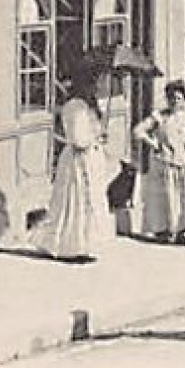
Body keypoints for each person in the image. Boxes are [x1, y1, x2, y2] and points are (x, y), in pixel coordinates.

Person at [34, 66, 115, 262]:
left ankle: (85, 245)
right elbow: (77, 138)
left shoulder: (90, 106)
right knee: (75, 201)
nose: (96, 87)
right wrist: (93, 138)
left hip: (91, 159)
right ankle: (69, 246)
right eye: (93, 83)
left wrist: (100, 135)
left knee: (91, 201)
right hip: (78, 161)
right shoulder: (75, 107)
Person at [133, 80, 185, 244]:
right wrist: (152, 142)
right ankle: (163, 230)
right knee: (165, 197)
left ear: (184, 100)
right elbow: (138, 131)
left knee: (184, 195)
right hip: (163, 161)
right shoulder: (159, 116)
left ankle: (181, 231)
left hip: (182, 160)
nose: (174, 101)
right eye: (171, 97)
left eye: (179, 98)